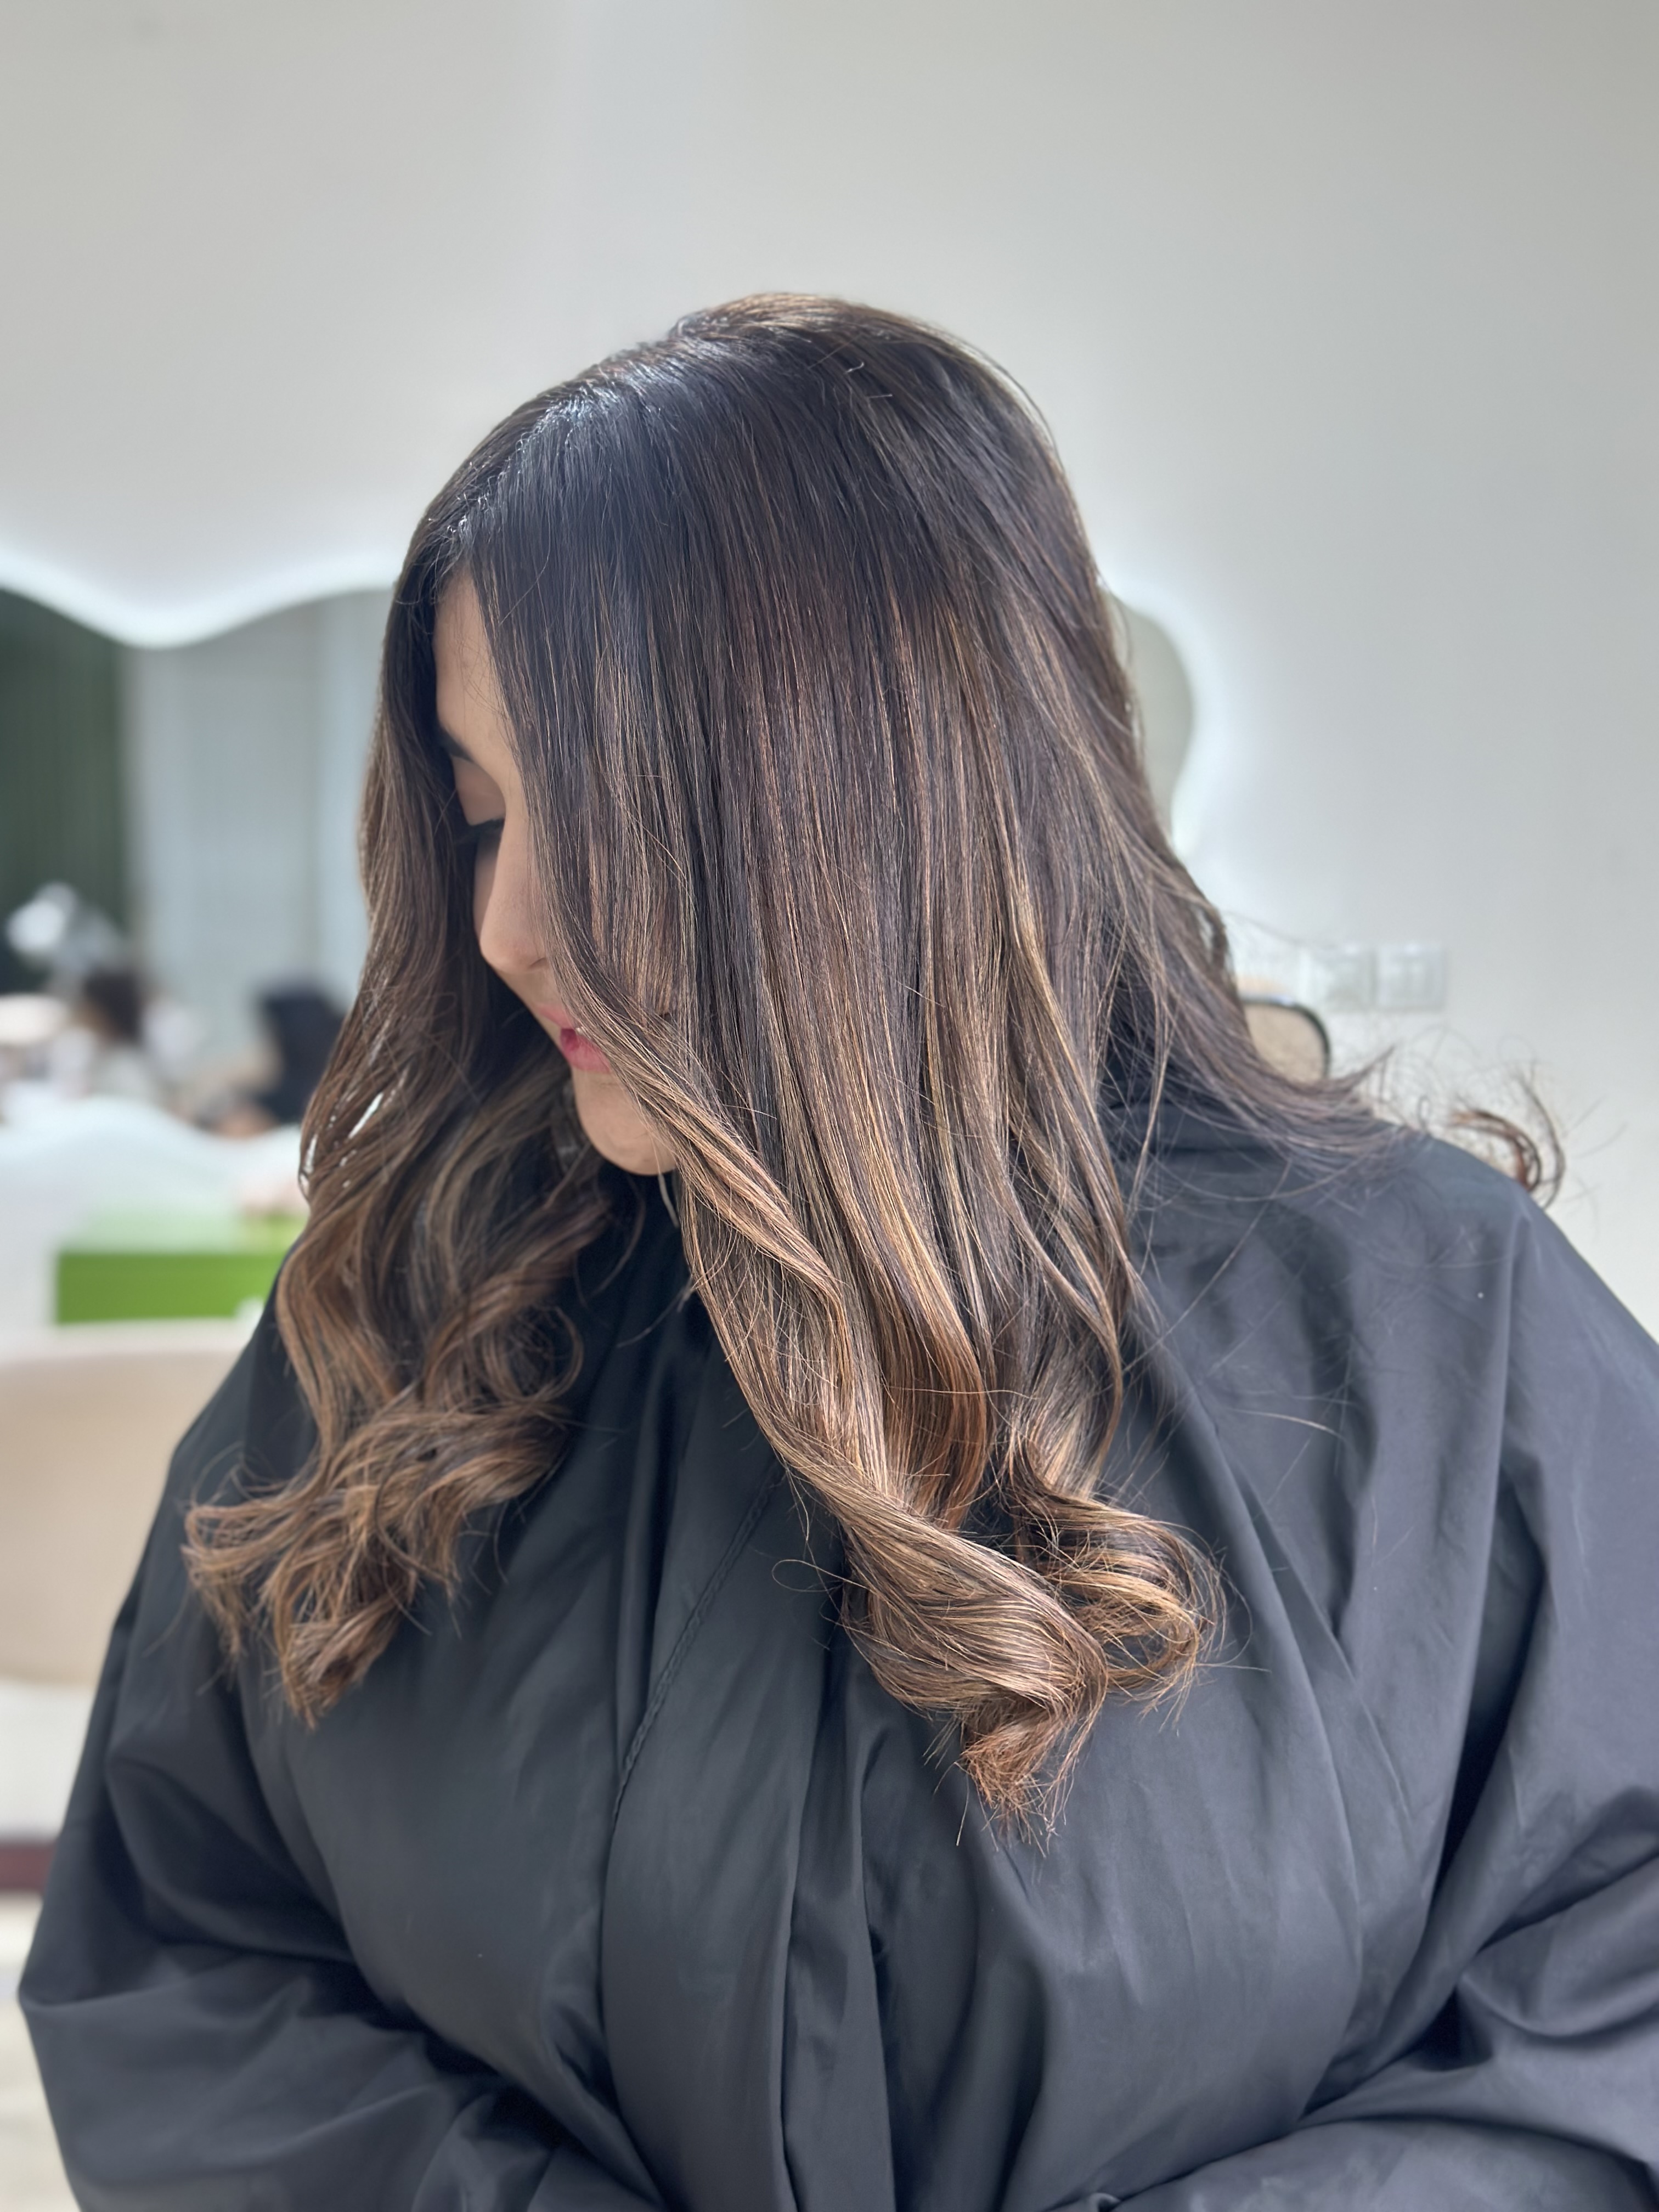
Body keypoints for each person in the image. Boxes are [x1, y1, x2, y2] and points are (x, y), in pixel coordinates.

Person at [22, 298, 1658, 2210]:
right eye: (479, 819)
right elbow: (184, 1953)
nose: (508, 925)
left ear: (884, 802)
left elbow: (1614, 1994)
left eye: (602, 819)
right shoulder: (403, 1321)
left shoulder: (1438, 1325)